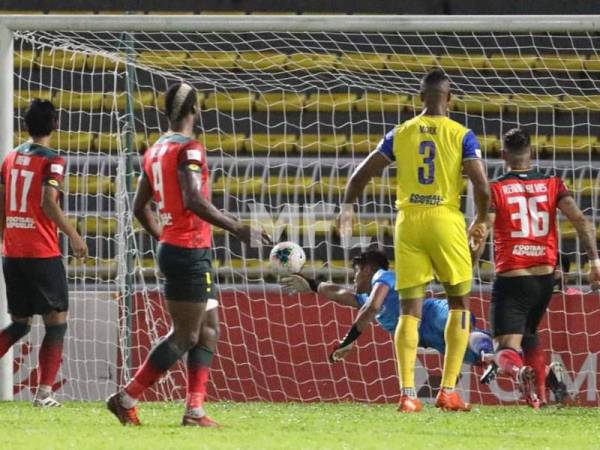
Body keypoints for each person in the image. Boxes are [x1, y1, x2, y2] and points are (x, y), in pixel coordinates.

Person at [106, 82, 270, 427]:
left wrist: (164, 236)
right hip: (189, 251)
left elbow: (140, 207)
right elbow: (194, 199)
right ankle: (126, 397)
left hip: (185, 249)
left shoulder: (153, 151)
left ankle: (194, 411)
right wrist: (238, 227)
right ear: (195, 111)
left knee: (208, 330)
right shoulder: (190, 150)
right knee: (184, 335)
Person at [338, 68, 490, 412]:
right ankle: (448, 391)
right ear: (449, 99)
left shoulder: (399, 133)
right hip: (445, 220)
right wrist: (481, 220)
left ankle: (407, 395)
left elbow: (361, 172)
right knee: (459, 304)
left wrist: (347, 208)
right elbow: (481, 185)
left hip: (408, 223)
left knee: (410, 310)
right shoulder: (461, 134)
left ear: (420, 98)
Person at [474, 128, 600, 408]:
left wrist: (469, 263)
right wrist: (595, 263)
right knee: (529, 334)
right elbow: (582, 222)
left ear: (503, 155)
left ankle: (519, 372)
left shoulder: (496, 189)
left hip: (513, 277)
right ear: (530, 152)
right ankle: (539, 397)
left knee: (504, 347)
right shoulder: (553, 183)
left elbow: (483, 231)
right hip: (545, 277)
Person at [0, 99, 88, 407]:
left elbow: (1, 202)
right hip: (41, 252)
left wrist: (5, 238)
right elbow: (49, 201)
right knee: (57, 321)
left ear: (25, 125)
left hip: (12, 250)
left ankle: (44, 394)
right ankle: (44, 394)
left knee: (20, 323)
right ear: (55, 124)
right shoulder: (53, 160)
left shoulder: (10, 158)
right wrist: (75, 236)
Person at [280, 250, 493, 368]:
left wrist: (348, 340)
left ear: (368, 269)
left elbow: (372, 308)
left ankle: (491, 347)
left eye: (356, 272)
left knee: (464, 336)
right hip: (427, 338)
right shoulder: (365, 295)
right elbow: (339, 293)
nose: (353, 278)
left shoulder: (383, 276)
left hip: (432, 313)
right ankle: (506, 358)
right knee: (477, 359)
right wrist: (312, 285)